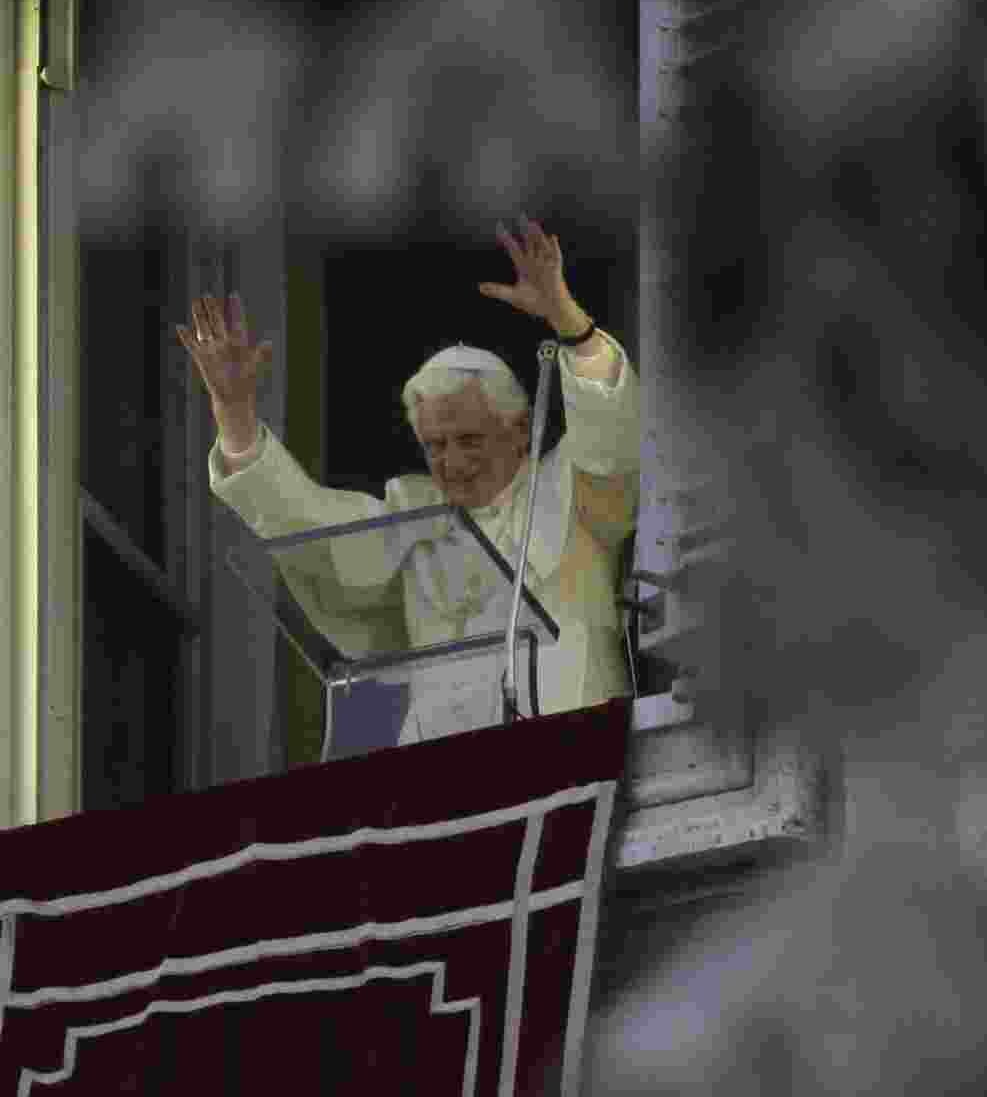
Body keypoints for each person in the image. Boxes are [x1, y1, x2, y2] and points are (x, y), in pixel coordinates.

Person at [176, 215, 643, 746]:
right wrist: (236, 416)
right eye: (435, 446)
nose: (452, 462)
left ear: (518, 431)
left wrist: (569, 322)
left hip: (571, 750)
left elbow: (612, 432)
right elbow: (306, 519)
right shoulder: (415, 517)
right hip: (438, 773)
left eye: (469, 440)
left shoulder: (570, 488)